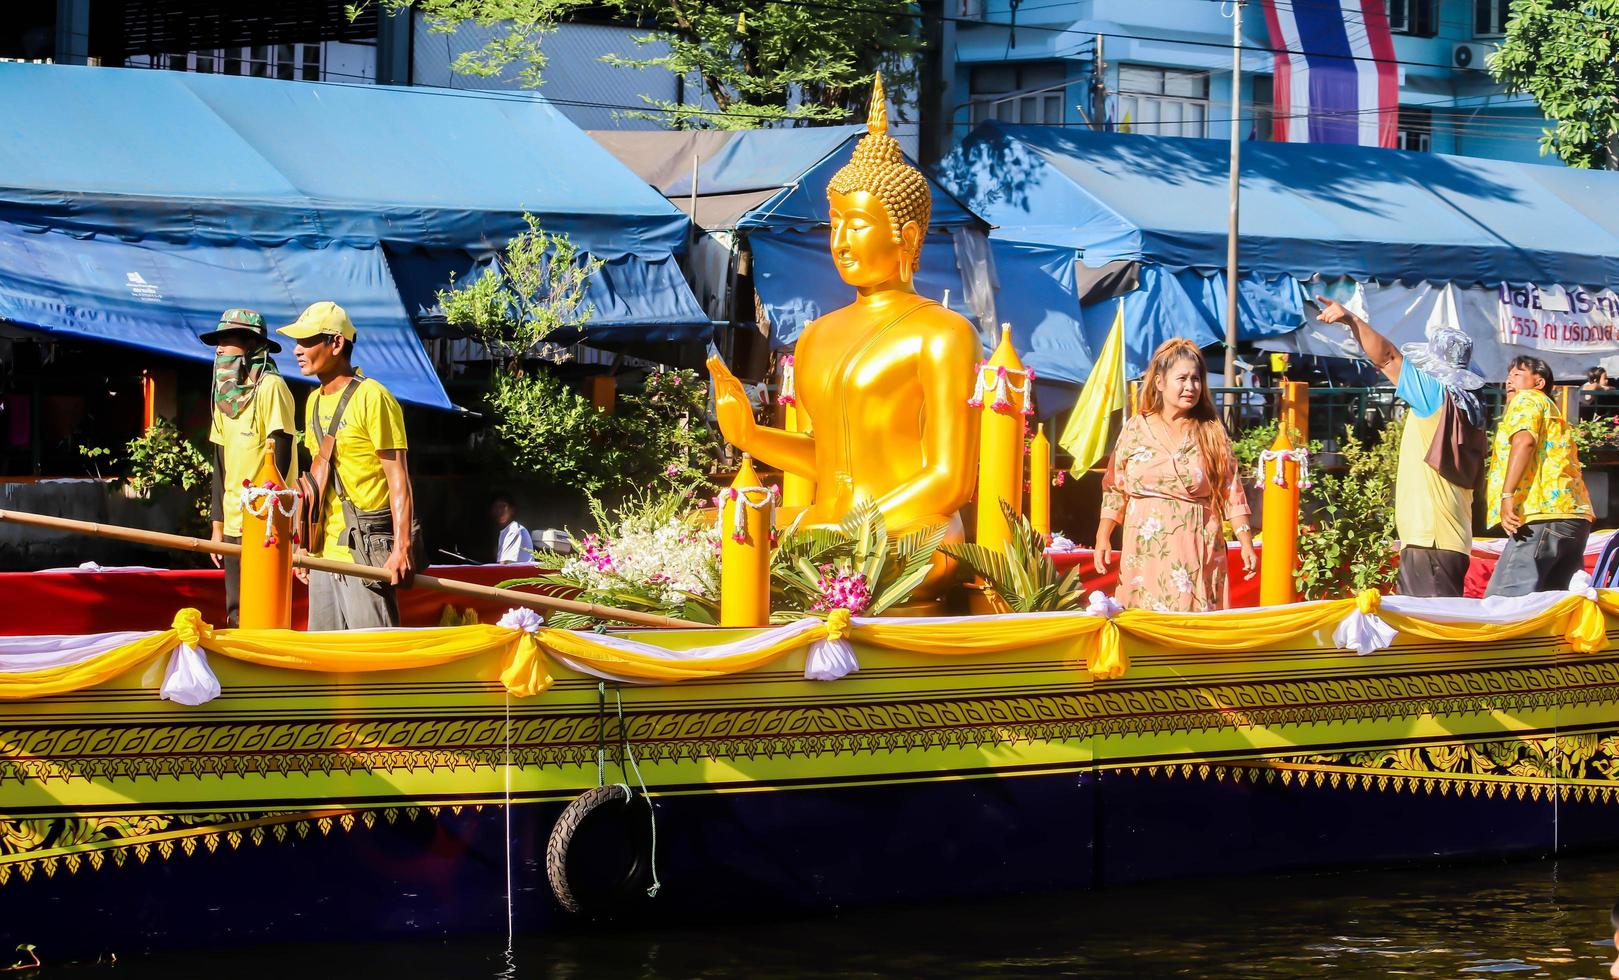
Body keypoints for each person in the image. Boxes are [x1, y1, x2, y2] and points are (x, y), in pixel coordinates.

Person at [1315, 296, 1486, 598]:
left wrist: (1352, 320)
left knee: (1428, 638)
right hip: (1453, 540)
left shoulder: (1435, 397)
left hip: (1429, 541)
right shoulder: (1470, 407)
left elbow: (1388, 359)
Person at [1094, 338, 1258, 612]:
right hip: (1144, 553)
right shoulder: (1135, 428)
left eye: (1196, 379)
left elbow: (1232, 490)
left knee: (1191, 631)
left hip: (1196, 549)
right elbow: (1115, 487)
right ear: (1159, 382)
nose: (1190, 386)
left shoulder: (1211, 431)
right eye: (1181, 378)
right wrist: (1103, 536)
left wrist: (1245, 541)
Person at [279, 302, 415, 630]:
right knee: (325, 660)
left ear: (336, 344)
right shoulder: (312, 402)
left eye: (307, 341)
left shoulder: (373, 397)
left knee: (373, 658)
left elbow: (398, 478)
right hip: (324, 554)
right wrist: (305, 546)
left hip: (366, 552)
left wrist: (402, 548)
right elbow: (317, 483)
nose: (297, 350)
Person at [202, 309, 297, 628]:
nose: (219, 350)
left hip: (264, 520)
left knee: (264, 605)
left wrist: (275, 519)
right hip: (232, 517)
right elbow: (220, 460)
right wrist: (217, 522)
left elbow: (280, 454)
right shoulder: (222, 394)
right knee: (236, 609)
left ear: (251, 345)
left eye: (226, 341)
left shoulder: (271, 387)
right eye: (217, 343)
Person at [1484, 354, 1594, 596]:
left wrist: (1507, 494)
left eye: (1517, 374)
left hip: (1543, 515)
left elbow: (1524, 442)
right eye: (1508, 374)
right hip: (1574, 518)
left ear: (1539, 382)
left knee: (1504, 603)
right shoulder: (1550, 409)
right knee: (1552, 606)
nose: (1508, 380)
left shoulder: (1528, 400)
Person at [492, 493, 533, 564]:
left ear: (512, 510)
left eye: (503, 506)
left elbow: (505, 566)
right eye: (497, 507)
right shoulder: (504, 532)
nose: (499, 511)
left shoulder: (514, 530)